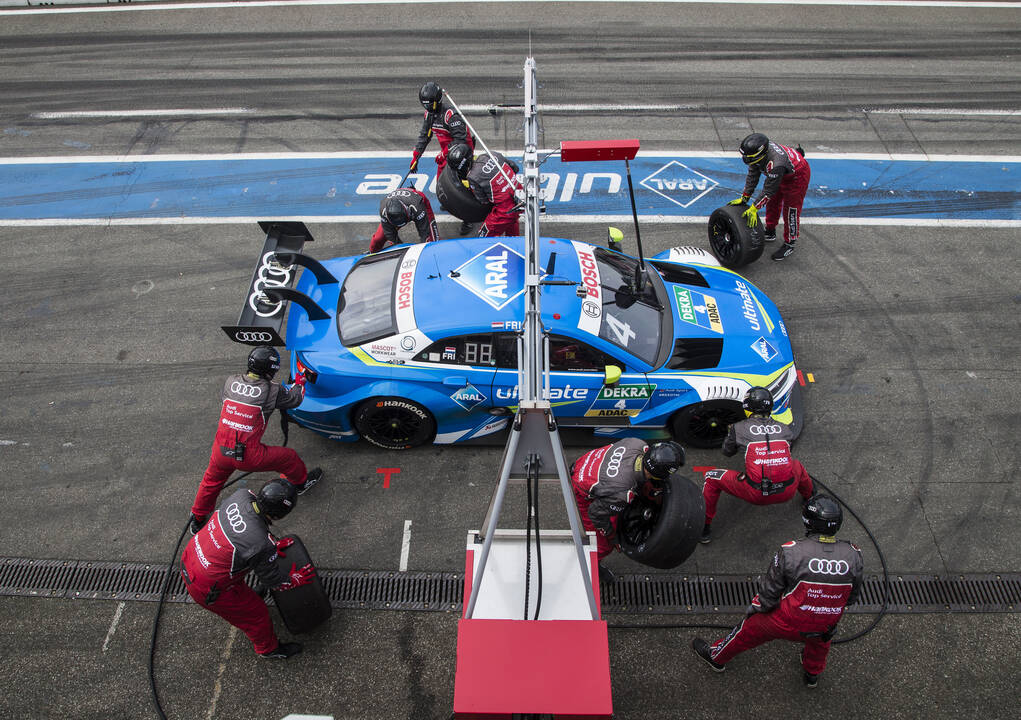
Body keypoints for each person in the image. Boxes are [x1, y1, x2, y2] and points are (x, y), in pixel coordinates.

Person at [691, 494, 863, 687]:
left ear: (808, 521)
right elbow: (851, 597)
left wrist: (754, 612)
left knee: (745, 631)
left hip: (785, 621)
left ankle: (716, 657)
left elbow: (769, 593)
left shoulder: (791, 551)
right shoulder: (854, 554)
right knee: (821, 642)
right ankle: (812, 675)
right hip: (825, 624)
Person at [190, 346, 322, 534]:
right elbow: (295, 399)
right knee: (289, 457)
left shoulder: (230, 381)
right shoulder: (271, 390)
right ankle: (301, 484)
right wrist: (300, 381)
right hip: (249, 454)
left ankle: (197, 519)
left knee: (210, 483)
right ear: (272, 369)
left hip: (220, 449)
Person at [181, 478, 317, 659]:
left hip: (193, 554)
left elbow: (242, 536)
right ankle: (268, 650)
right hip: (206, 586)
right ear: (281, 514)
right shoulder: (260, 544)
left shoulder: (242, 495)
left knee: (233, 570)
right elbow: (274, 581)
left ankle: (244, 595)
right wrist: (293, 579)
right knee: (256, 614)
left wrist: (271, 547)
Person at [699, 386, 813, 544]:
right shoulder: (785, 429)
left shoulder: (738, 428)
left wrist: (733, 437)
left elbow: (727, 452)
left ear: (747, 407)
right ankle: (811, 497)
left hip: (756, 492)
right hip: (787, 491)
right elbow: (788, 452)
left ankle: (704, 528)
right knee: (797, 465)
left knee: (711, 477)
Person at [571, 439, 686, 579]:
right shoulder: (622, 494)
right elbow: (595, 514)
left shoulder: (637, 443)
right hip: (581, 489)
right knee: (602, 546)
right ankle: (589, 567)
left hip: (586, 463)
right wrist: (610, 535)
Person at [728, 133, 810, 262]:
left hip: (797, 177)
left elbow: (768, 190)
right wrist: (745, 196)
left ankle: (790, 243)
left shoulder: (776, 164)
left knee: (791, 210)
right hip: (782, 172)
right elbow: (753, 175)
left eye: (749, 157)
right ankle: (770, 231)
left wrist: (755, 207)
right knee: (773, 203)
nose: (746, 159)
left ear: (760, 154)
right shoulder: (757, 155)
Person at [446, 143, 522, 237]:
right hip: (519, 194)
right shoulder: (491, 154)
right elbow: (514, 167)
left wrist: (469, 187)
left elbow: (483, 201)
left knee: (483, 237)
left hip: (505, 209)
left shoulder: (472, 178)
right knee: (512, 227)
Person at [411, 81, 474, 176]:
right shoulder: (429, 115)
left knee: (457, 182)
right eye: (425, 105)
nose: (428, 107)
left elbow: (460, 140)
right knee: (440, 184)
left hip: (462, 152)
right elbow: (424, 136)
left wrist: (444, 153)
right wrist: (416, 156)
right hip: (447, 154)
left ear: (437, 100)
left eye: (430, 104)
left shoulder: (450, 115)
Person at [368, 187, 441, 253]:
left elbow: (424, 233)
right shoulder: (383, 211)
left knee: (431, 239)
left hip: (419, 203)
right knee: (378, 239)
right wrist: (401, 250)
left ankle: (437, 253)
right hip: (398, 210)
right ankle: (371, 253)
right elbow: (391, 237)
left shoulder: (417, 207)